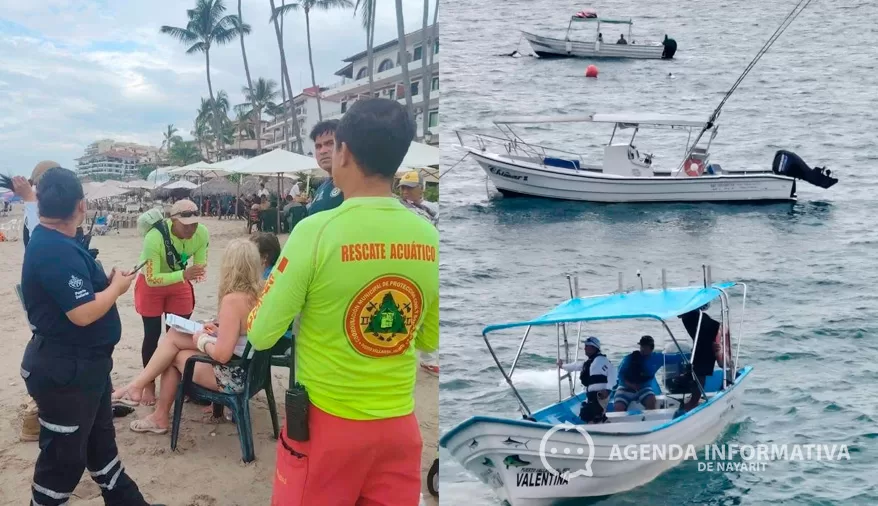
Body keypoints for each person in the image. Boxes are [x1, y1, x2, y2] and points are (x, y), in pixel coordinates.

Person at [247, 97, 438, 505]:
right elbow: (427, 338)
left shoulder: (316, 231)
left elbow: (262, 334)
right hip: (399, 425)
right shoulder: (430, 237)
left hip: (328, 425)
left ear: (344, 152)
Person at [19, 167, 164, 506]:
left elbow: (79, 292)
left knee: (100, 443)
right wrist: (116, 288)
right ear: (81, 206)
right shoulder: (53, 248)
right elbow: (81, 313)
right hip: (64, 372)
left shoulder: (59, 241)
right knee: (62, 461)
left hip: (87, 368)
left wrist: (108, 281)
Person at [114, 239, 271, 433]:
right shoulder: (263, 292)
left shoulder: (233, 300)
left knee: (172, 357)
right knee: (175, 335)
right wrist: (218, 330)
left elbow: (222, 355)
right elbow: (244, 331)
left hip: (233, 376)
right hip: (254, 369)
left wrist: (202, 340)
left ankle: (155, 411)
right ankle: (138, 389)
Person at [132, 199, 209, 405]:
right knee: (152, 335)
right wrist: (184, 274)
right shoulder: (154, 237)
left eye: (195, 223)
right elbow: (152, 278)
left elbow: (199, 266)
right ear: (173, 221)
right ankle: (149, 384)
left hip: (179, 280)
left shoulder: (202, 233)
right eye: (186, 225)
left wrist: (195, 272)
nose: (192, 229)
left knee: (178, 335)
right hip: (152, 284)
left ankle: (179, 383)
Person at [558, 336, 615, 424]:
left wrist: (607, 390)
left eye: (587, 346)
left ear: (593, 347)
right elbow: (575, 366)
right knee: (587, 413)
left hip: (600, 396)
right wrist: (562, 366)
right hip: (591, 396)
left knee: (587, 413)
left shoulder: (603, 361)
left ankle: (597, 426)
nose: (584, 348)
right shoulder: (589, 362)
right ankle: (600, 421)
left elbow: (613, 374)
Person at [679, 307, 721, 412]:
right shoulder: (690, 318)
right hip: (702, 346)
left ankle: (693, 402)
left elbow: (712, 329)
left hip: (705, 346)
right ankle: (693, 402)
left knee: (699, 374)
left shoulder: (694, 317)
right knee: (698, 374)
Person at [613, 335, 663, 412]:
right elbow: (620, 375)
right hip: (625, 388)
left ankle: (648, 420)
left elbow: (674, 357)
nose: (643, 349)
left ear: (651, 348)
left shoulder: (657, 358)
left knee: (652, 401)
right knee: (618, 407)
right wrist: (630, 385)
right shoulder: (629, 358)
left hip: (643, 388)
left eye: (645, 347)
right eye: (641, 346)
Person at [306, 119, 345, 215]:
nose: (322, 151)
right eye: (318, 146)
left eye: (330, 143)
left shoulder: (354, 184)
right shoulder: (322, 187)